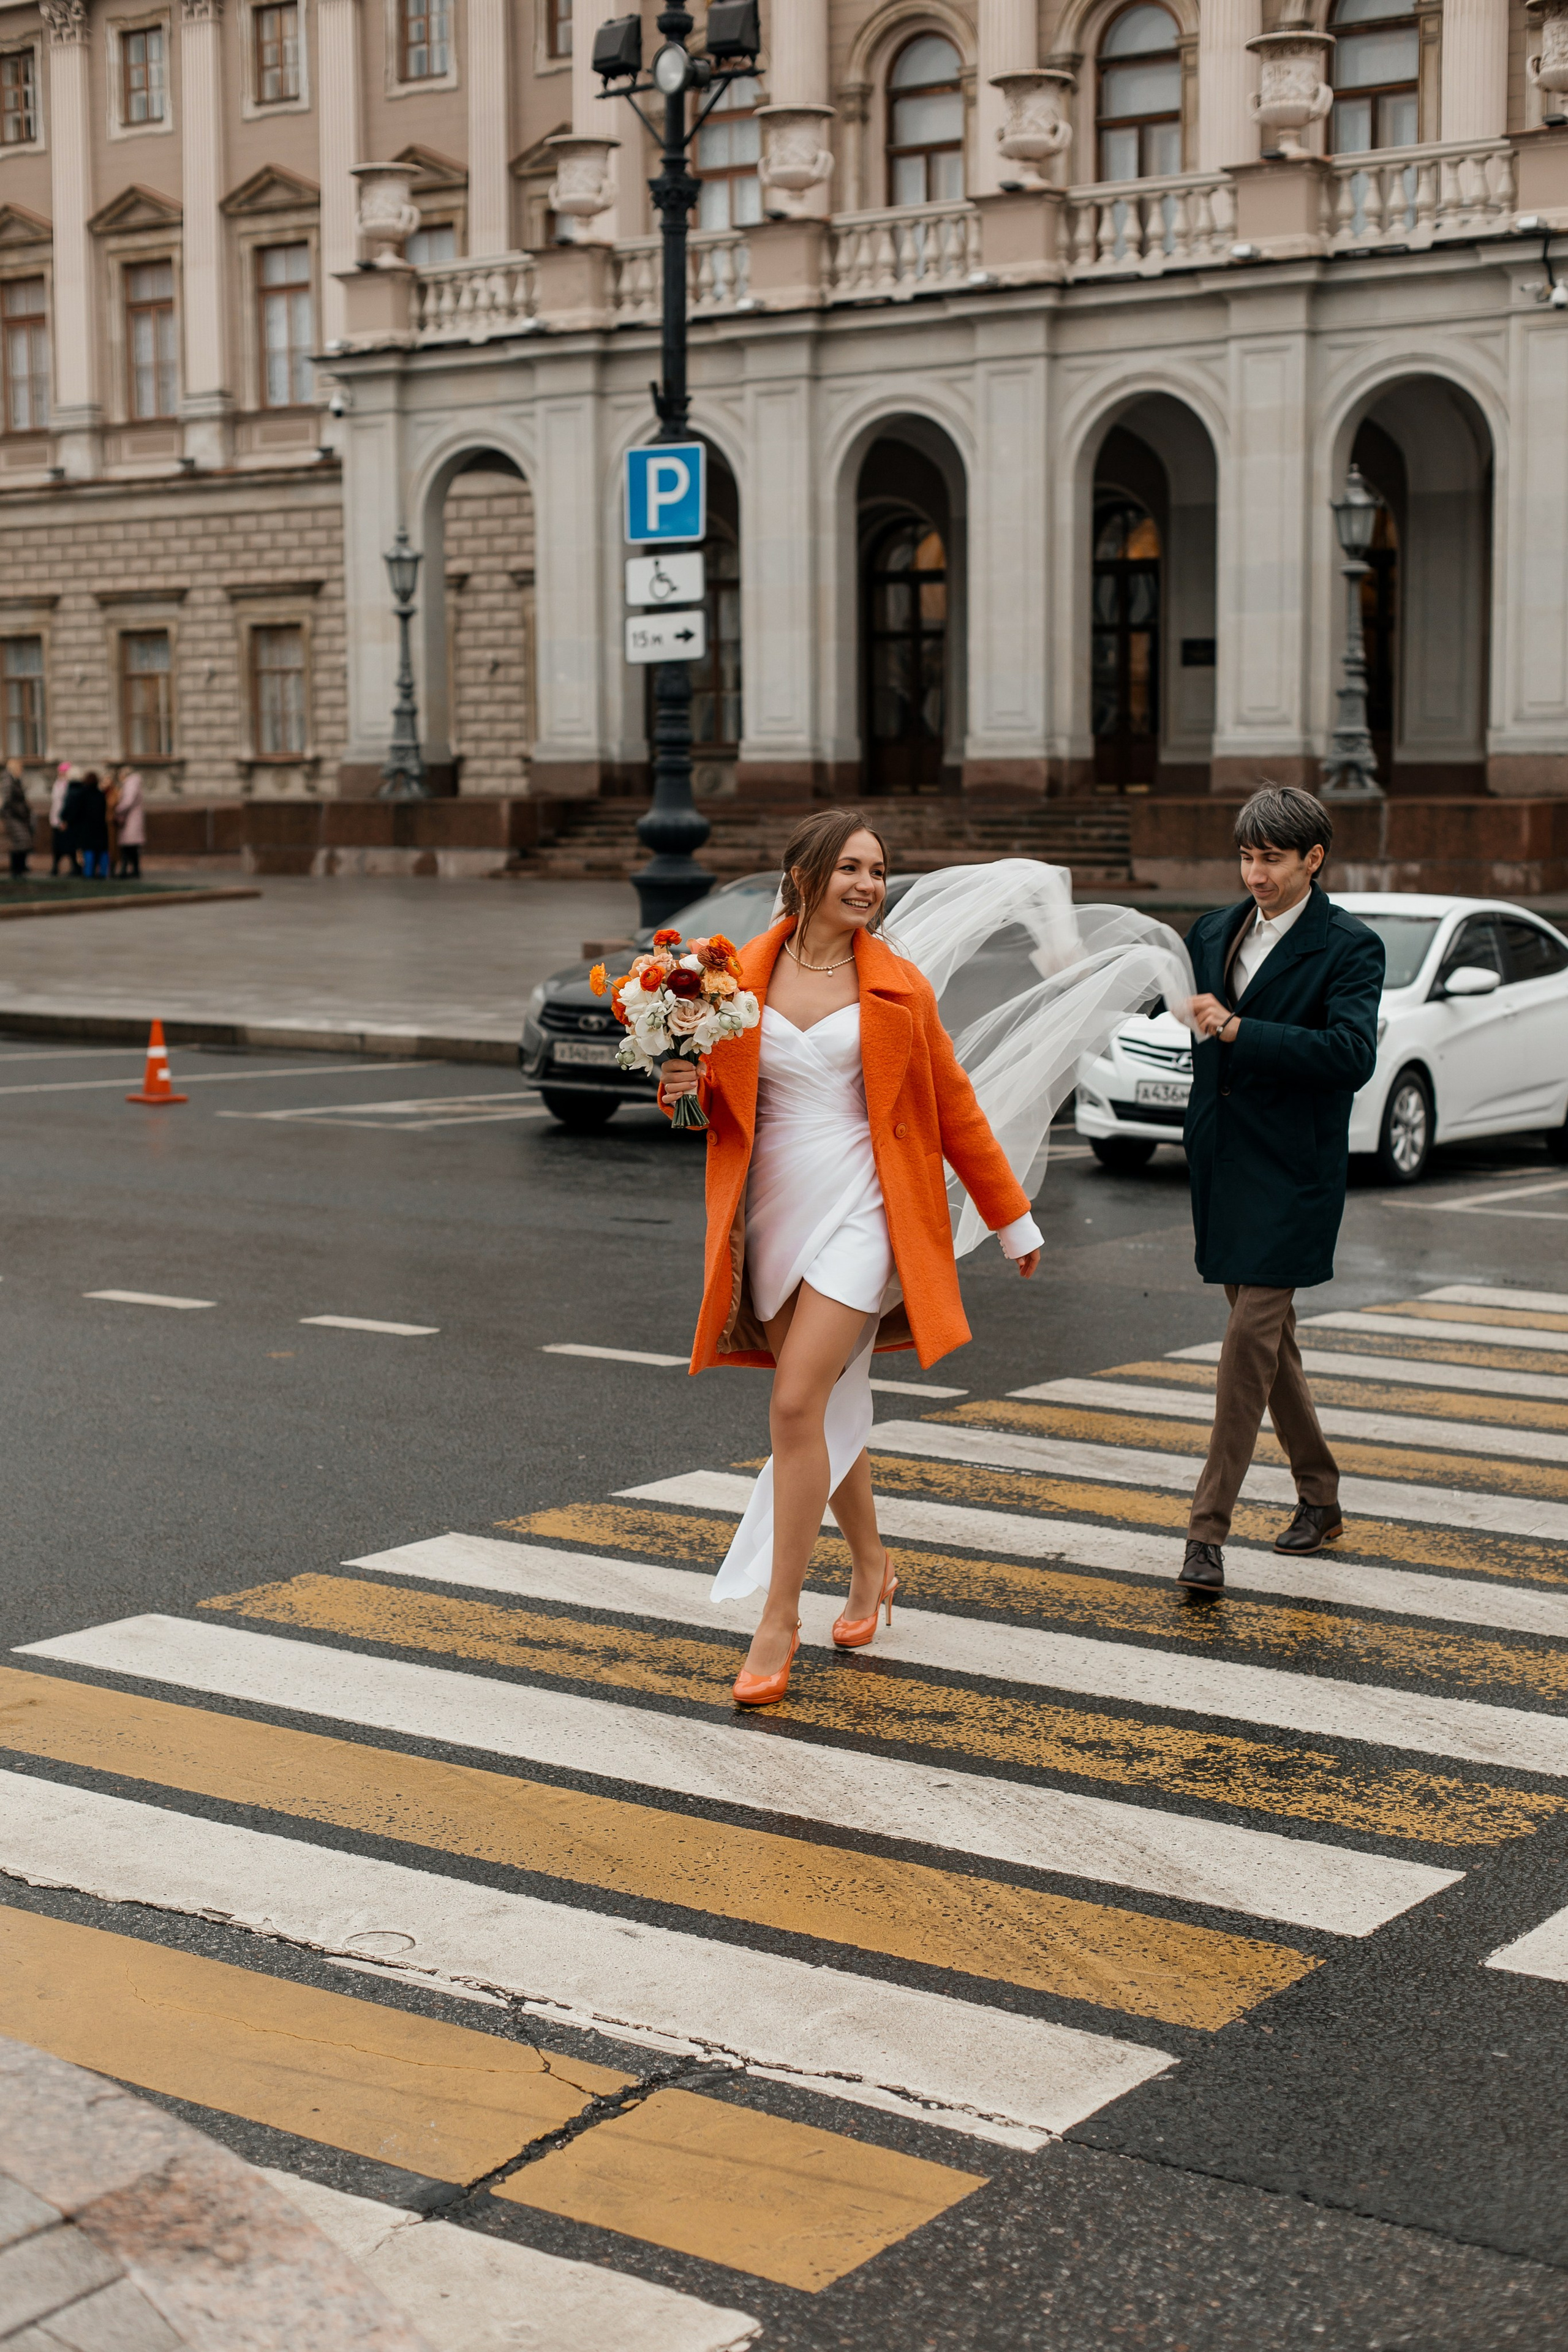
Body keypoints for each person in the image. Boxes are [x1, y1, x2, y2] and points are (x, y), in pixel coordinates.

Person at [660, 810, 1044, 1707]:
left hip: (868, 1209)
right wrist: (680, 1089)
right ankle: (872, 1569)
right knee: (825, 1415)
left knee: (796, 1401)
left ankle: (778, 1617)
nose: (869, 885)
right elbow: (708, 1112)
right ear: (804, 875)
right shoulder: (730, 978)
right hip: (775, 1209)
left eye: (879, 871)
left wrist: (1012, 1219)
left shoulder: (901, 986)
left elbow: (956, 1110)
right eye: (852, 869)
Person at [1177, 784, 1385, 1591]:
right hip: (1224, 1162)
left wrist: (1239, 1029)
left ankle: (1206, 1532)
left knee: (1244, 1347)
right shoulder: (1211, 931)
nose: (1254, 872)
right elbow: (1177, 1007)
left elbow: (1350, 1055)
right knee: (1271, 1345)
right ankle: (1321, 1497)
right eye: (1246, 855)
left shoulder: (1348, 946)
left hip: (1293, 1174)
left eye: (1270, 858)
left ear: (1313, 859)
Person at [70, 769, 110, 879]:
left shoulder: (82, 795)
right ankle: (103, 872)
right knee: (102, 850)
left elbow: (76, 812)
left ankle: (88, 873)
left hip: (86, 828)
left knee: (89, 851)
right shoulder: (101, 795)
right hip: (100, 828)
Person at [112, 764, 145, 877]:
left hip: (130, 820)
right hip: (131, 819)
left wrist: (117, 810)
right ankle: (132, 870)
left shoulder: (131, 783)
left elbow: (128, 801)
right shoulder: (133, 783)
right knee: (131, 847)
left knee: (128, 847)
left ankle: (125, 870)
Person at [2, 760, 32, 878]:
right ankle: (17, 869)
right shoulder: (8, 780)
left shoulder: (15, 780)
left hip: (18, 816)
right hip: (13, 817)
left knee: (22, 842)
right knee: (20, 842)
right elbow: (7, 800)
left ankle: (20, 868)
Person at [49, 764, 73, 875]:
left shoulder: (69, 784)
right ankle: (55, 866)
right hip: (56, 819)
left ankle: (74, 866)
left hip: (64, 820)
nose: (61, 774)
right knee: (57, 846)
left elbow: (67, 804)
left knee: (68, 845)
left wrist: (64, 820)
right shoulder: (57, 783)